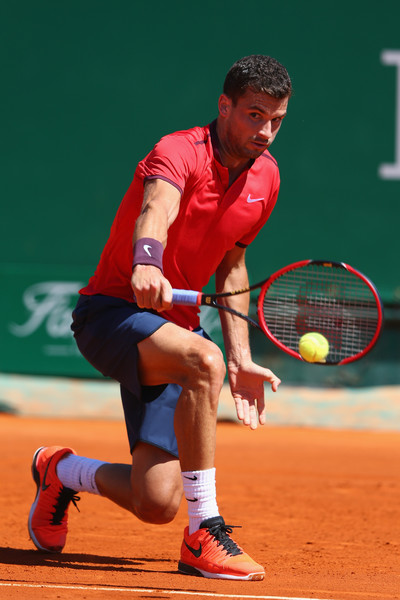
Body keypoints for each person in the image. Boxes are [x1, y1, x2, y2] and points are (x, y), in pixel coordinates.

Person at [28, 54, 292, 581]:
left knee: (156, 500)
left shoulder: (267, 179)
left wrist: (241, 358)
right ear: (225, 106)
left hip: (175, 330)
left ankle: (60, 470)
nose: (265, 131)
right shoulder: (178, 150)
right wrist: (147, 261)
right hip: (111, 313)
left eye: (277, 120)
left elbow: (233, 266)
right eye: (254, 115)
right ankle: (204, 533)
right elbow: (157, 207)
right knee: (201, 360)